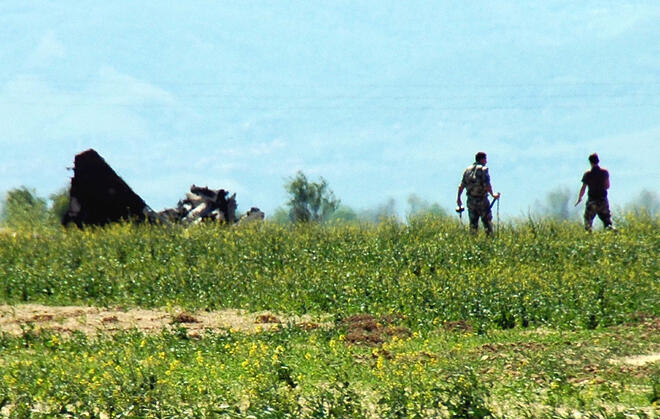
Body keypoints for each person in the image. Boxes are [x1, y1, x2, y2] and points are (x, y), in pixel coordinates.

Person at [457, 152, 501, 235]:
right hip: (482, 201)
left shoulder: (468, 170)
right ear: (482, 159)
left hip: (470, 201)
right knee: (487, 224)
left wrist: (458, 198)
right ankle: (489, 242)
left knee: (473, 225)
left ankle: (473, 242)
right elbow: (487, 185)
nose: (486, 161)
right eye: (485, 159)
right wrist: (493, 194)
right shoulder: (484, 169)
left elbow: (461, 186)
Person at [575, 153, 614, 231]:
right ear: (598, 161)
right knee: (607, 222)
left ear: (590, 162)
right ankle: (614, 234)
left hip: (592, 201)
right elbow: (608, 186)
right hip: (603, 200)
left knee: (588, 221)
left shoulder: (588, 174)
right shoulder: (605, 172)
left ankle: (589, 238)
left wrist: (580, 198)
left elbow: (583, 188)